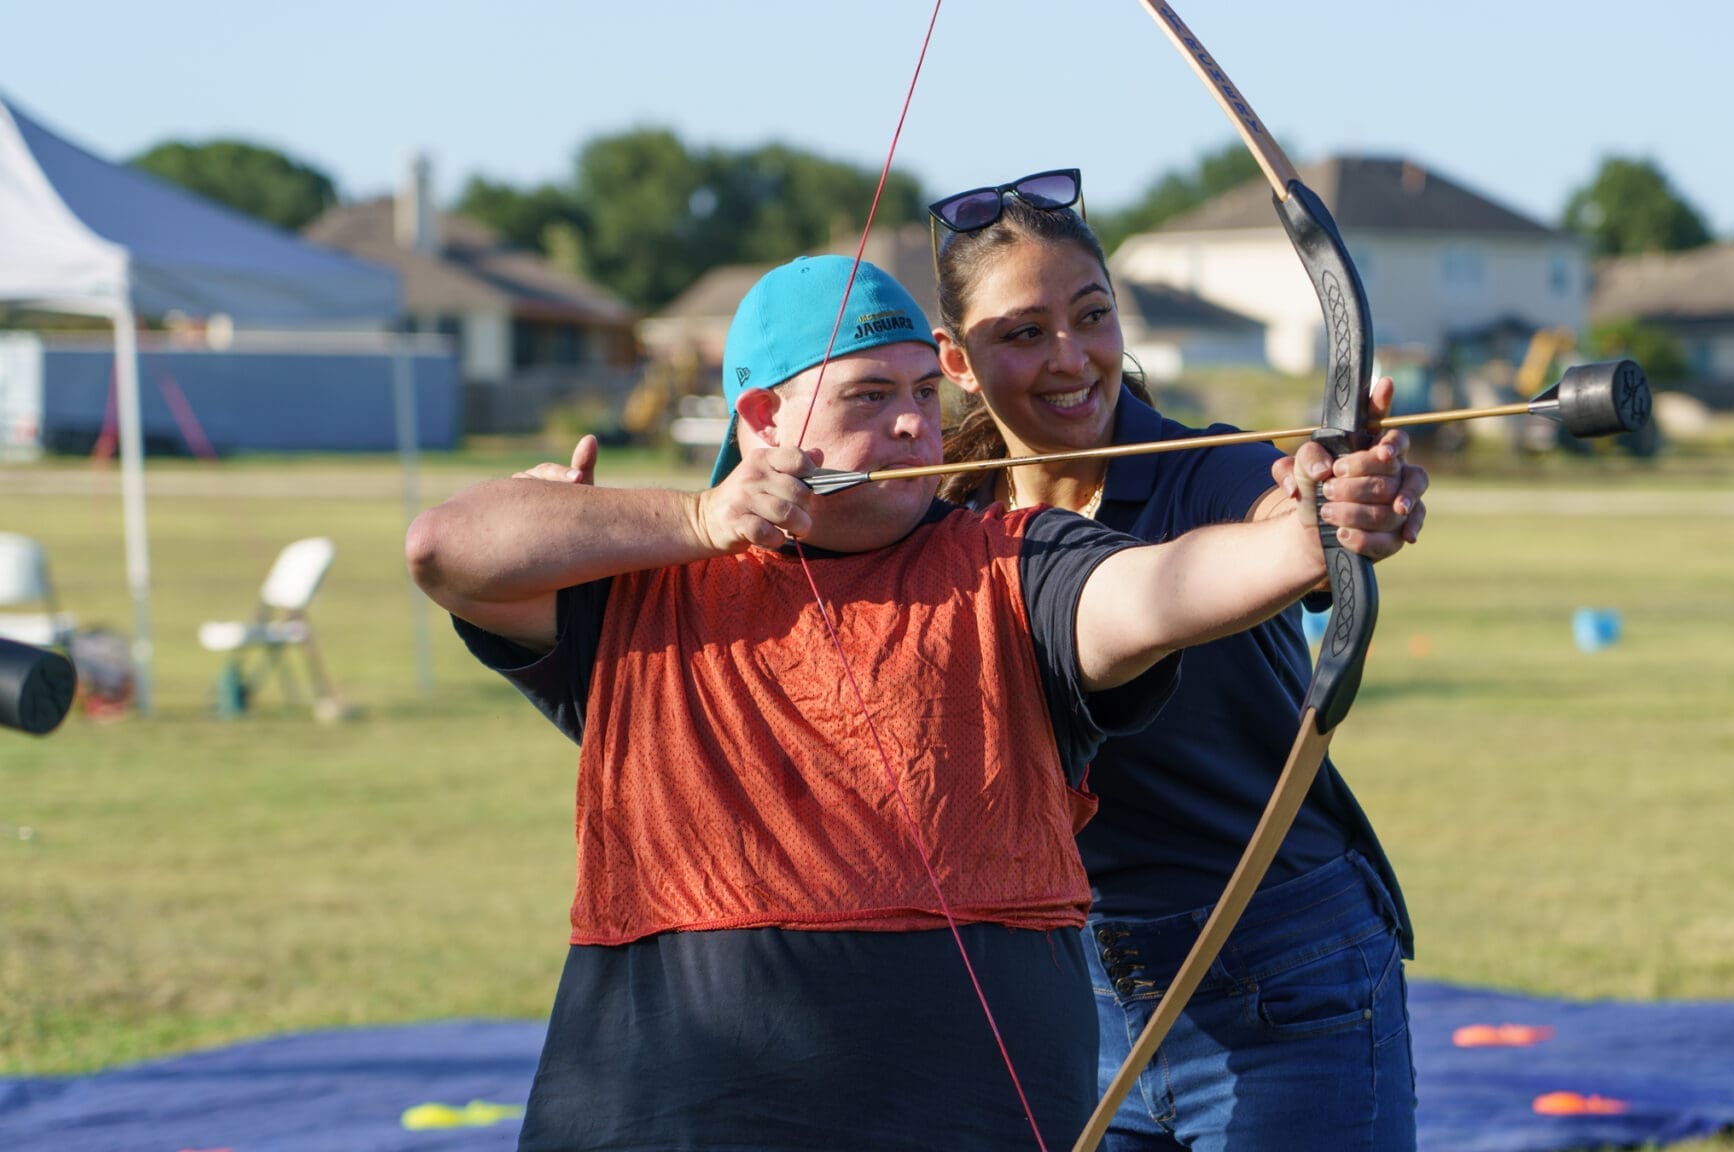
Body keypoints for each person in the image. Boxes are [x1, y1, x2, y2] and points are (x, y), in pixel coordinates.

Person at [406, 254, 1402, 1152]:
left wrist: (1303, 539)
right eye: (868, 395)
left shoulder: (1012, 560)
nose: (909, 425)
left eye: (924, 394)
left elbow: (1153, 592)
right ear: (760, 421)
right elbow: (442, 549)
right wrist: (695, 520)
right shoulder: (648, 582)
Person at [928, 169, 1429, 1149]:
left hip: (1283, 977)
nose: (1071, 358)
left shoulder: (1205, 466)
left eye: (1092, 316)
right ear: (954, 358)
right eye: (1023, 333)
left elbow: (1282, 502)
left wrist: (1330, 504)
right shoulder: (946, 525)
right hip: (1067, 1001)